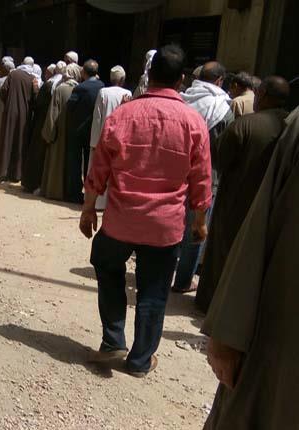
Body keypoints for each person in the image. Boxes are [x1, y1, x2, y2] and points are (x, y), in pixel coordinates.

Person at [80, 45, 211, 377]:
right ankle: (140, 360)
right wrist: (199, 221)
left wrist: (88, 209)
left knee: (105, 262)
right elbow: (201, 178)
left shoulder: (123, 115)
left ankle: (113, 341)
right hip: (165, 227)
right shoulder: (194, 123)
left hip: (120, 221)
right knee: (153, 290)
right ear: (181, 81)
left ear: (149, 75)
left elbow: (99, 168)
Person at [202, 105, 299, 429]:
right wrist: (228, 332)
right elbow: (257, 234)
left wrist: (227, 331)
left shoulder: (245, 125)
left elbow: (218, 159)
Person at [195, 76, 289, 313]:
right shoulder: (290, 127)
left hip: (235, 203)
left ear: (263, 94)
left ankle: (210, 304)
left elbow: (218, 160)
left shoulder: (244, 125)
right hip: (274, 207)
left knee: (222, 253)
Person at [173, 61, 234, 293]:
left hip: (175, 175)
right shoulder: (222, 109)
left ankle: (162, 273)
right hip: (207, 179)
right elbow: (224, 150)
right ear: (219, 81)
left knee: (172, 226)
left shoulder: (182, 99)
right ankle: (183, 281)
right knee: (196, 230)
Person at [65, 59, 104, 203]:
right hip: (93, 130)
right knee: (90, 162)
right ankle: (90, 192)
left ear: (83, 72)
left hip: (78, 130)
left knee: (75, 162)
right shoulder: (102, 86)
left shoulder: (80, 88)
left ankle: (75, 193)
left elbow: (70, 107)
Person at [40, 63, 82, 200]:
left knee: (57, 162)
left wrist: (49, 134)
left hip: (59, 133)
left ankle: (55, 191)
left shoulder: (60, 89)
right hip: (74, 133)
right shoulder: (80, 89)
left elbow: (52, 114)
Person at [0, 59, 38, 181]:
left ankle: (3, 172)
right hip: (24, 115)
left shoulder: (13, 74)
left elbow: (3, 91)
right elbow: (35, 99)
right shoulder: (32, 79)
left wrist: (8, 103)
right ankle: (17, 174)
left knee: (7, 140)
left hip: (10, 112)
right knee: (20, 142)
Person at [21, 64, 55, 192]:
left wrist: (35, 91)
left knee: (36, 155)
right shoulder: (54, 85)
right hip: (48, 125)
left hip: (40, 124)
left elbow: (38, 104)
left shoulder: (47, 86)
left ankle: (32, 184)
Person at [90, 66, 132, 148]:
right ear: (122, 79)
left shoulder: (103, 92)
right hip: (120, 138)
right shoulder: (128, 93)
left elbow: (97, 117)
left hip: (104, 138)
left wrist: (94, 144)